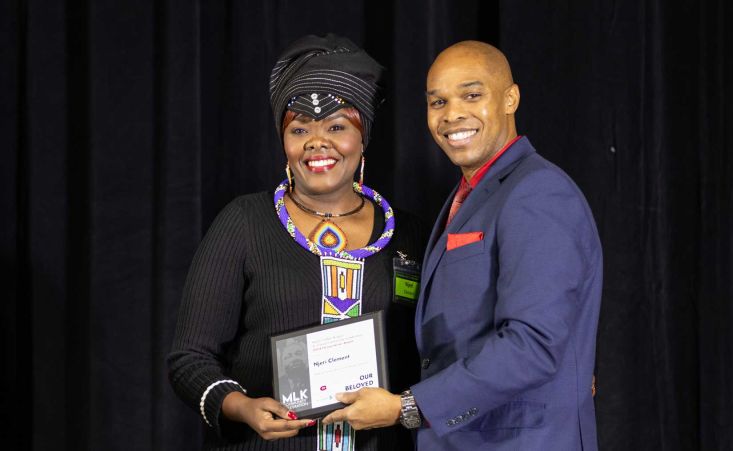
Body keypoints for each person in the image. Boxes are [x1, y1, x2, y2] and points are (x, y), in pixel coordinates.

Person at [322, 40, 602, 451]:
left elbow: (533, 345)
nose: (452, 114)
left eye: (472, 95)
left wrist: (407, 407)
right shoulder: (474, 194)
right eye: (438, 102)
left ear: (510, 99)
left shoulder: (538, 192)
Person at [168, 33, 423, 450]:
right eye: (299, 128)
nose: (316, 142)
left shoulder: (409, 234)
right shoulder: (245, 222)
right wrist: (240, 406)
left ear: (363, 139)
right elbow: (189, 359)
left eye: (337, 127)